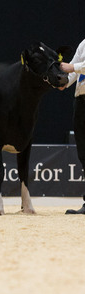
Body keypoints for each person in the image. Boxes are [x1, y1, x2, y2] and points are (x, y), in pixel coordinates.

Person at [60, 38, 85, 214]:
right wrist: (62, 81)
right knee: (83, 153)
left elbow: (73, 67)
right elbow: (73, 69)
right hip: (81, 100)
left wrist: (72, 68)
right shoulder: (84, 43)